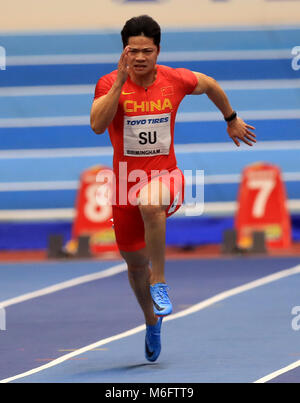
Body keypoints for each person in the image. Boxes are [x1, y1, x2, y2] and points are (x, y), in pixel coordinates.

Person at [90, 15, 256, 362]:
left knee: (152, 205)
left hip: (165, 176)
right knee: (135, 266)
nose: (139, 57)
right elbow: (96, 125)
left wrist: (231, 118)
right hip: (125, 186)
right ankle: (151, 321)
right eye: (132, 51)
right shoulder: (108, 83)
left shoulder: (174, 79)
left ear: (157, 50)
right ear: (124, 52)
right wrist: (120, 82)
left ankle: (160, 281)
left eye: (146, 51)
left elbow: (209, 83)